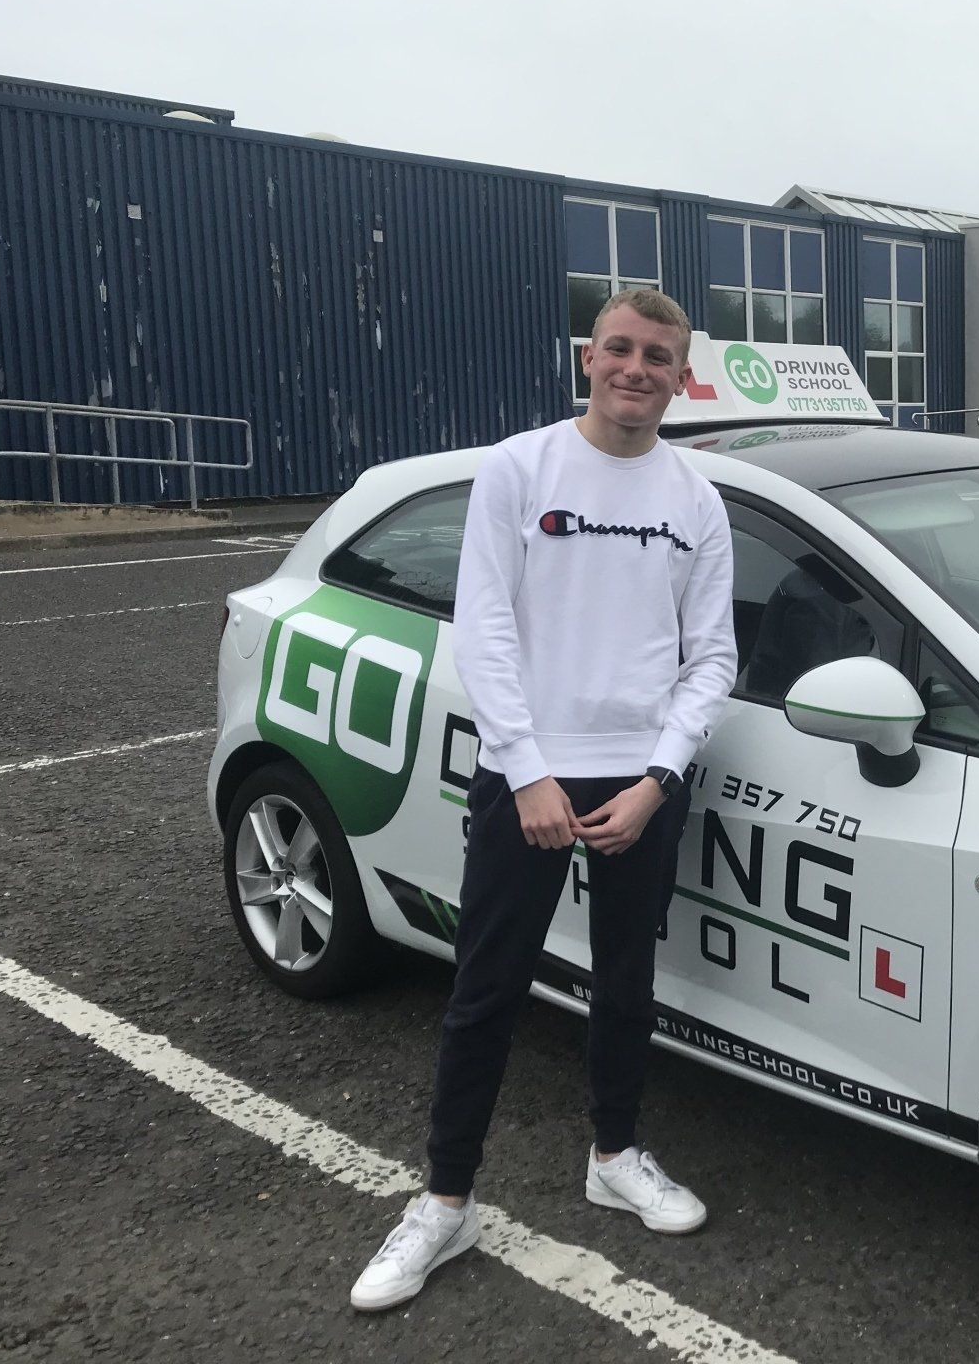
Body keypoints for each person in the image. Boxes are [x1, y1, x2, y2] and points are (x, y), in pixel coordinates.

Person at [351, 288, 737, 1311]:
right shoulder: (519, 469)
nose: (636, 369)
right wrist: (526, 770)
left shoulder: (696, 500)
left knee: (626, 982)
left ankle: (614, 1157)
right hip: (526, 778)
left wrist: (658, 780)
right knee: (487, 990)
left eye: (658, 356)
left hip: (640, 784)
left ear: (681, 376)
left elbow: (712, 657)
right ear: (588, 357)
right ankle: (446, 1201)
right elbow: (482, 627)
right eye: (620, 348)